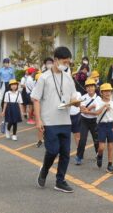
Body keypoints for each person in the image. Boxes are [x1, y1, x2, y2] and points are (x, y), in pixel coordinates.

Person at [32, 46, 79, 193]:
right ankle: (44, 170)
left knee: (65, 152)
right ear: (56, 60)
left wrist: (75, 101)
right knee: (52, 151)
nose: (66, 65)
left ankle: (60, 181)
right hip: (50, 121)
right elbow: (36, 99)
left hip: (65, 120)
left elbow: (72, 95)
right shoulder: (44, 78)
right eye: (64, 62)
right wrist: (38, 120)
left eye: (68, 63)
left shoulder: (68, 78)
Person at [95, 83, 113, 174]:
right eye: (105, 91)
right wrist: (104, 107)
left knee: (110, 146)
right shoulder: (98, 102)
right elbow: (97, 112)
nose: (107, 93)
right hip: (102, 125)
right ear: (101, 92)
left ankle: (110, 165)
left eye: (109, 91)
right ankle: (99, 156)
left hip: (110, 125)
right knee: (101, 147)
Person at [75, 78, 101, 165]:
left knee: (96, 139)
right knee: (82, 139)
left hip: (94, 121)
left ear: (95, 87)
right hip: (84, 120)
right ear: (86, 88)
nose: (90, 88)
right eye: (88, 87)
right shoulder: (83, 97)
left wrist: (88, 110)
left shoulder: (99, 99)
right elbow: (82, 110)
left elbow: (97, 113)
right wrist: (91, 107)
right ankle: (79, 156)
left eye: (92, 86)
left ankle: (98, 155)